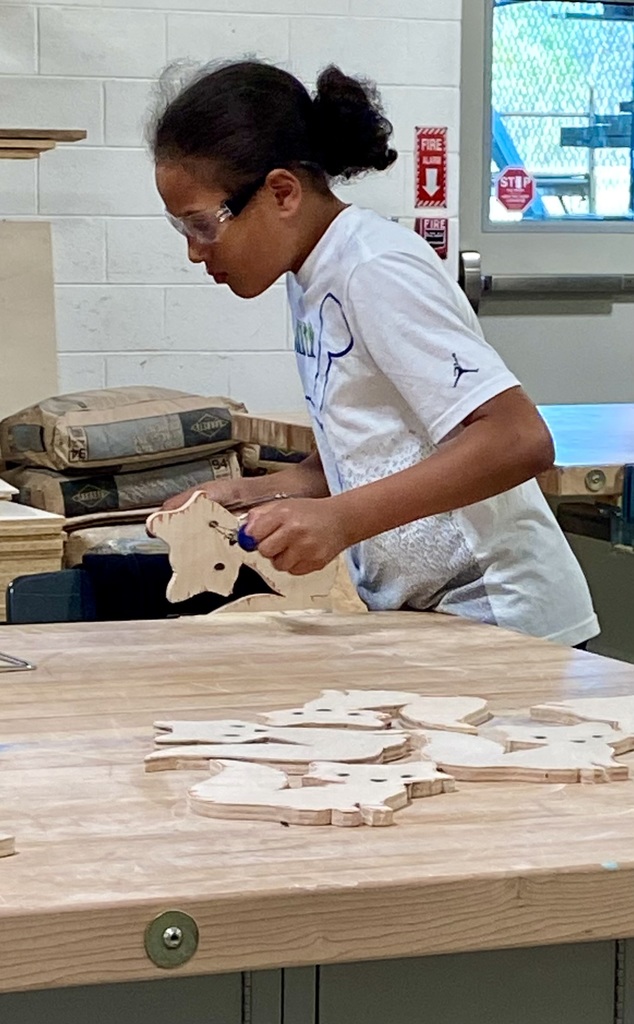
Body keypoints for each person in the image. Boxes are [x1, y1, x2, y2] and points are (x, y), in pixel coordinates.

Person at [151, 59, 598, 647]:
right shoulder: (310, 275)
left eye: (203, 226)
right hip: (431, 618)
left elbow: (518, 440)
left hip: (505, 616)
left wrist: (340, 521)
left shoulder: (374, 268)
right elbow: (372, 455)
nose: (195, 252)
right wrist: (256, 493)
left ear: (282, 192)